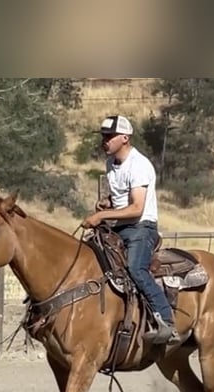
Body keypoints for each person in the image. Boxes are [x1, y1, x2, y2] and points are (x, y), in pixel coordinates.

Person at [81, 114, 179, 345]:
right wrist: (108, 202)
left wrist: (101, 215)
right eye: (103, 136)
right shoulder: (110, 164)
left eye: (109, 136)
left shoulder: (139, 165)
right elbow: (123, 197)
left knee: (136, 269)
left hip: (141, 227)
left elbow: (136, 208)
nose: (104, 141)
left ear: (125, 138)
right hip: (120, 227)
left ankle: (167, 322)